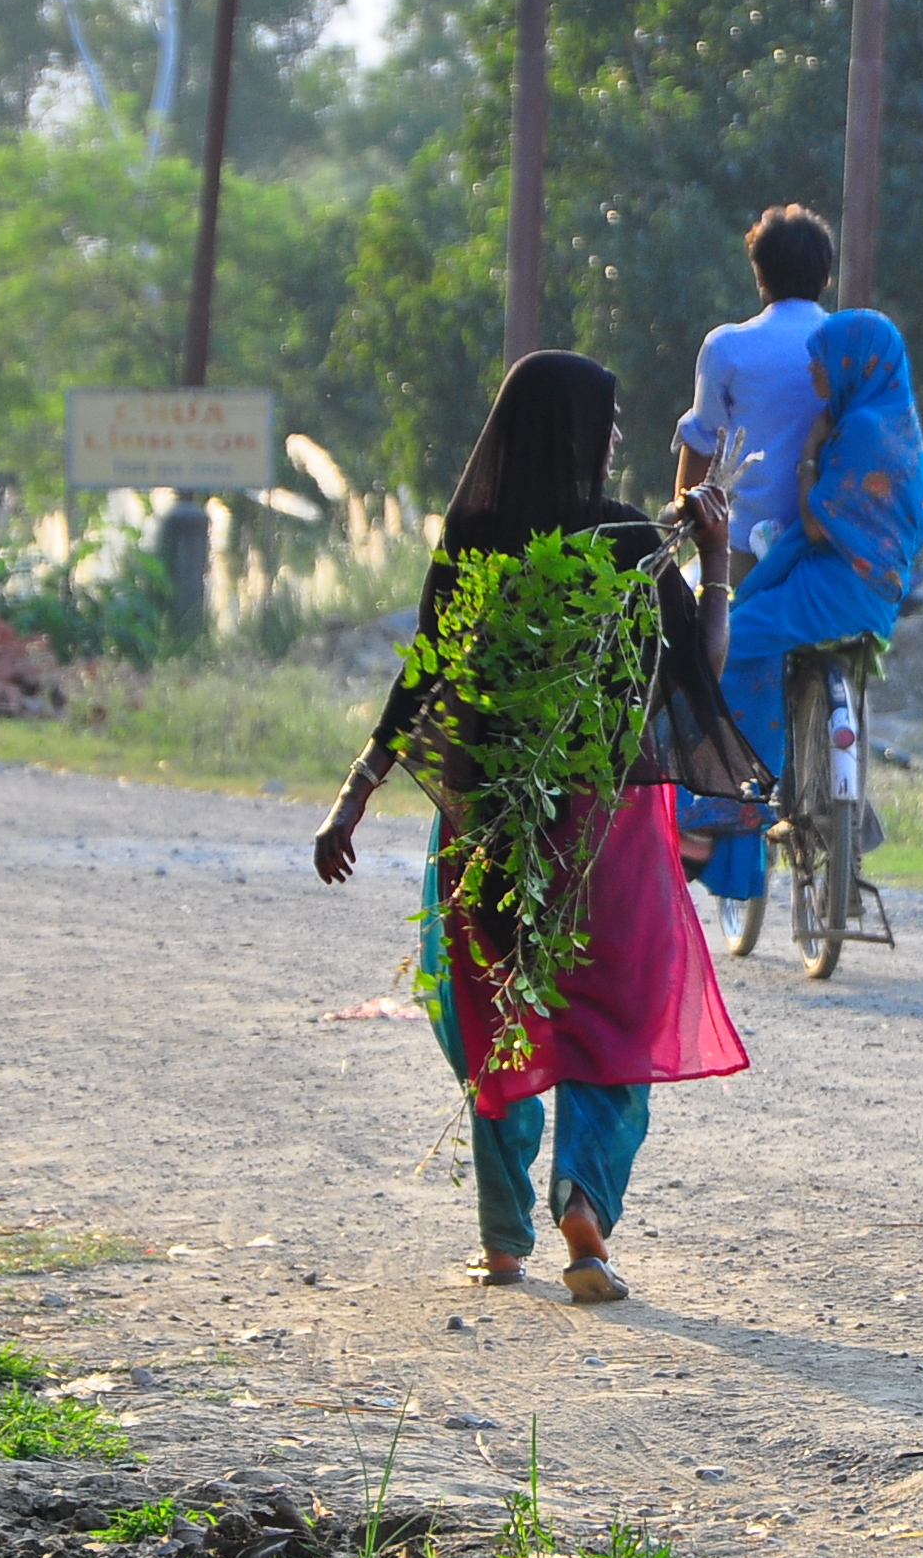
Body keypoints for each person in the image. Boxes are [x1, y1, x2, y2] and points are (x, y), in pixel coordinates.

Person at [314, 351, 763, 1304]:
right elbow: (699, 675)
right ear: (568, 429)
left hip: (494, 829)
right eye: (602, 422)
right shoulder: (623, 542)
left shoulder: (476, 539)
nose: (612, 439)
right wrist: (716, 562)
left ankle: (503, 1242)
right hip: (612, 831)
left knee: (500, 1019)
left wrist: (353, 797)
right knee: (613, 1022)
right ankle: (586, 1213)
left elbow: (421, 681)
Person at [691, 308, 923, 903]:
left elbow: (819, 522)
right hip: (875, 597)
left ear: (852, 363)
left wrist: (809, 450)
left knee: (729, 641)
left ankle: (721, 809)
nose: (812, 370)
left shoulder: (859, 432)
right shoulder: (897, 424)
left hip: (837, 592)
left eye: (822, 360)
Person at [675, 205, 837, 588]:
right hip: (829, 539)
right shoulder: (846, 344)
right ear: (826, 277)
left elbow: (701, 443)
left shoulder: (728, 347)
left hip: (745, 545)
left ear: (760, 276)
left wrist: (681, 526)